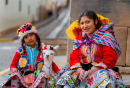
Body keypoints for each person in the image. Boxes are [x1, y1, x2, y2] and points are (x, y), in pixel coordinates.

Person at [49, 10, 126, 88]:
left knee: (103, 78)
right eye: (82, 23)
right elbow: (74, 56)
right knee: (68, 77)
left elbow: (110, 57)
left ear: (95, 21)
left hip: (101, 68)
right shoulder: (80, 38)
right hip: (82, 68)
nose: (84, 26)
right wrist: (79, 69)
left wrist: (95, 69)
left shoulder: (105, 37)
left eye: (87, 22)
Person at [0, 23, 59, 88]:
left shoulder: (41, 51)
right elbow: (13, 64)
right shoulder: (20, 51)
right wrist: (14, 68)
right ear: (23, 40)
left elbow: (50, 62)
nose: (30, 38)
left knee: (43, 75)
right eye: (26, 37)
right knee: (15, 75)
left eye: (31, 35)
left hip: (36, 75)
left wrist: (58, 72)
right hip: (23, 75)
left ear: (35, 35)